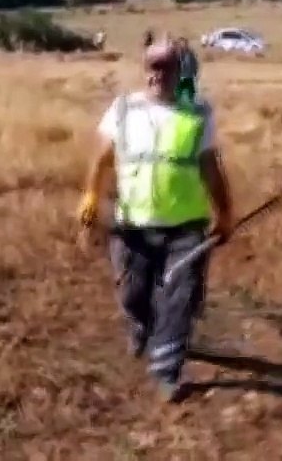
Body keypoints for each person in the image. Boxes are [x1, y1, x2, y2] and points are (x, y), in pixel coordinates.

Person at [76, 41, 235, 403]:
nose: (157, 74)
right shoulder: (122, 110)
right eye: (152, 66)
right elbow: (102, 158)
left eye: (166, 67)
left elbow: (211, 168)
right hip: (131, 226)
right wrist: (90, 196)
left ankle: (167, 371)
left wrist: (225, 214)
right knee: (132, 294)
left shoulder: (197, 114)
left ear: (182, 73)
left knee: (177, 299)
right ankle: (142, 325)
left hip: (186, 227)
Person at [174, 37, 199, 106]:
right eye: (181, 43)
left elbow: (195, 64)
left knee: (191, 93)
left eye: (184, 43)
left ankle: (192, 105)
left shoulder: (190, 53)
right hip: (179, 78)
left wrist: (195, 74)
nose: (183, 45)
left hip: (189, 77)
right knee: (178, 94)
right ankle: (177, 106)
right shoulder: (176, 54)